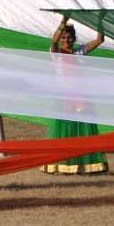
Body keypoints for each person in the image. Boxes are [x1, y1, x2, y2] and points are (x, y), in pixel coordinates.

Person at [46, 15, 108, 174]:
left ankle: (86, 165)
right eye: (64, 37)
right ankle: (64, 164)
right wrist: (64, 20)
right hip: (64, 98)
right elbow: (53, 41)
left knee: (82, 132)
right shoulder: (56, 53)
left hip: (82, 98)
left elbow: (99, 40)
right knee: (65, 132)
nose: (66, 40)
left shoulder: (79, 52)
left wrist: (100, 19)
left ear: (74, 39)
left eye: (69, 37)